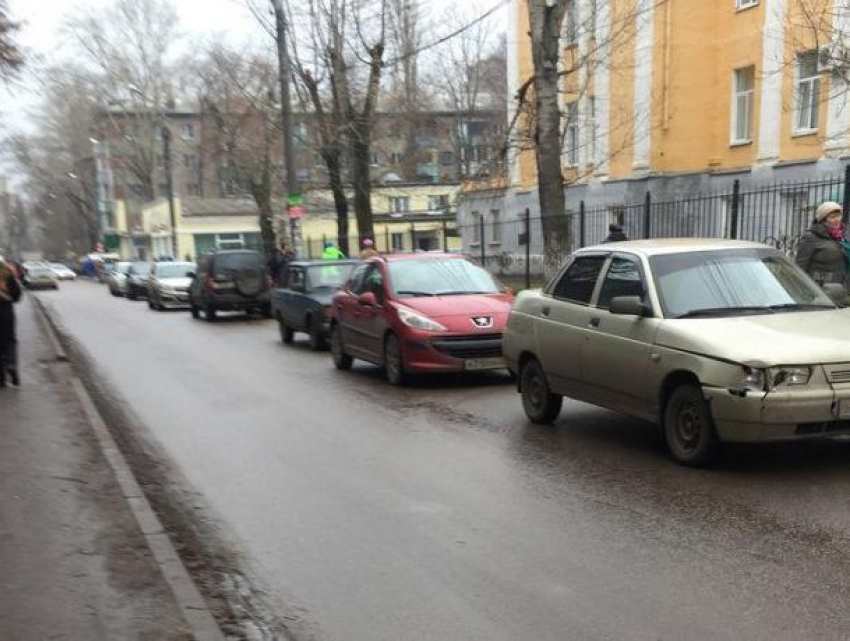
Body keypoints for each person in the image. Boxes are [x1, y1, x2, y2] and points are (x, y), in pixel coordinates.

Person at [796, 201, 849, 294]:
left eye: (838, 216)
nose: (837, 219)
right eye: (832, 217)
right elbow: (799, 267)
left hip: (843, 289)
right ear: (823, 219)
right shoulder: (811, 237)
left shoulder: (843, 236)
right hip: (820, 291)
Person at [0, 256, 22, 388]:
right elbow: (17, 296)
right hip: (6, 314)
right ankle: (12, 369)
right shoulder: (9, 275)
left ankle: (1, 378)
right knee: (10, 342)